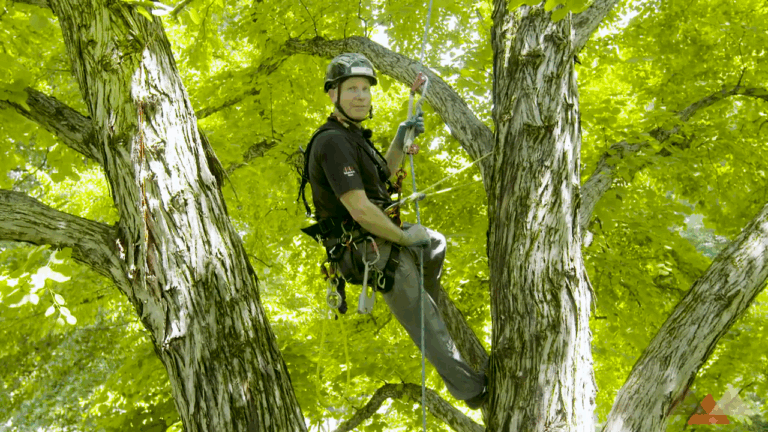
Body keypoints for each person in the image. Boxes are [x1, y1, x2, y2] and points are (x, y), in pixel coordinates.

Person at [298, 53, 488, 409]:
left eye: (365, 89)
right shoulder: (332, 142)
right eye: (351, 88)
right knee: (425, 319)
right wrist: (401, 239)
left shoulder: (352, 138)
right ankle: (472, 390)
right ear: (333, 95)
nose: (360, 96)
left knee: (434, 245)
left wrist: (401, 138)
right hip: (367, 248)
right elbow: (359, 208)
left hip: (380, 232)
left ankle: (422, 291)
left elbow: (382, 176)